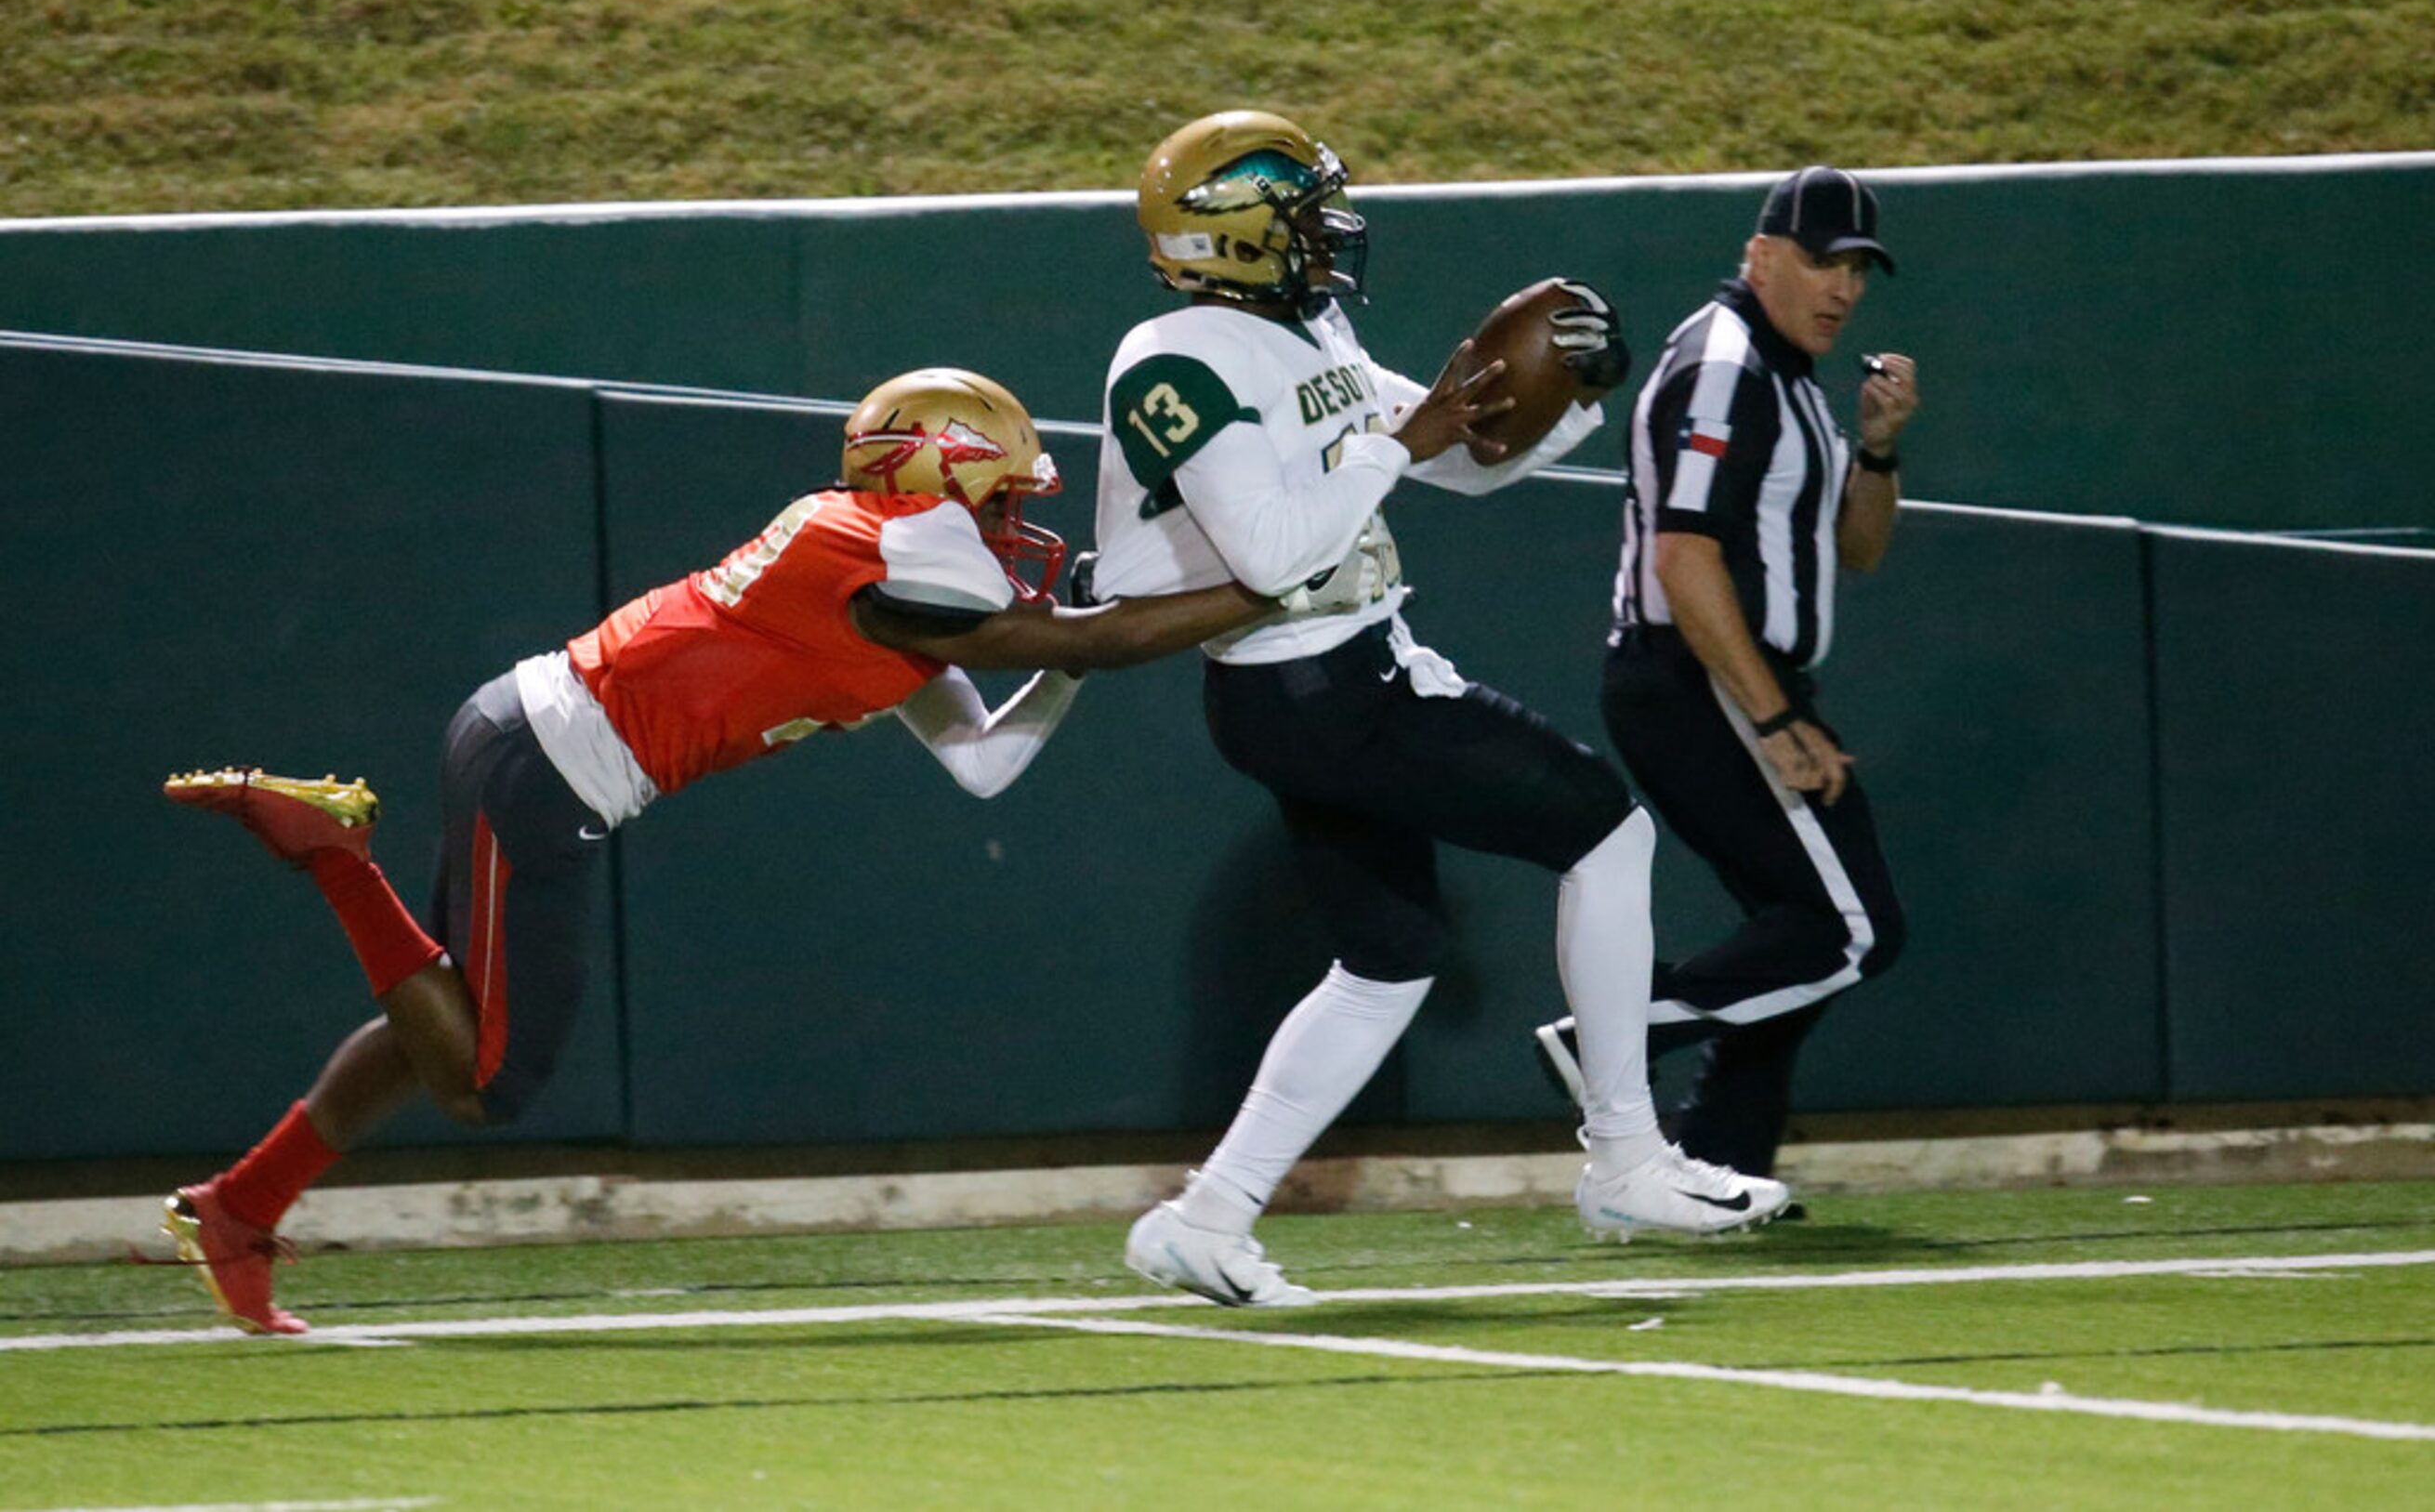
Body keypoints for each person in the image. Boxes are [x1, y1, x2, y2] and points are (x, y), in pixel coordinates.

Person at [160, 366, 1309, 1336]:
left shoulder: (888, 572)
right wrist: (1255, 588)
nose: (1016, 521)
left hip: (531, 738)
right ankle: (331, 856)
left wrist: (1068, 655)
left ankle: (239, 1207)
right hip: (550, 768)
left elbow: (985, 761)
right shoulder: (906, 558)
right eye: (1002, 494)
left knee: (442, 1026)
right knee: (487, 1083)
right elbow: (1094, 641)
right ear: (938, 476)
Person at [1094, 110, 1794, 1308]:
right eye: (1303, 215)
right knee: (1603, 829)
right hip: (1309, 681)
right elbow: (1267, 554)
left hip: (1325, 678)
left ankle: (1204, 1217)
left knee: (1388, 960)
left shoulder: (1307, 327)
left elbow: (1458, 460)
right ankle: (1625, 1154)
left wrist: (1564, 395)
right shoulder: (1168, 359)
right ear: (1239, 236)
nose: (1331, 234)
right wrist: (1391, 442)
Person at [1532, 164, 1920, 1183]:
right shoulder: (1726, 363)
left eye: (1856, 271)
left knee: (1797, 938)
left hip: (1734, 679)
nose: (1840, 289)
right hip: (1700, 678)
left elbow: (1858, 547)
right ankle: (1608, 1041)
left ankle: (1722, 1156)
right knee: (1852, 930)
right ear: (1759, 254)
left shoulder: (1788, 376)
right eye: (1819, 261)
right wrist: (1777, 714)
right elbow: (1683, 555)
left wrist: (1876, 450)